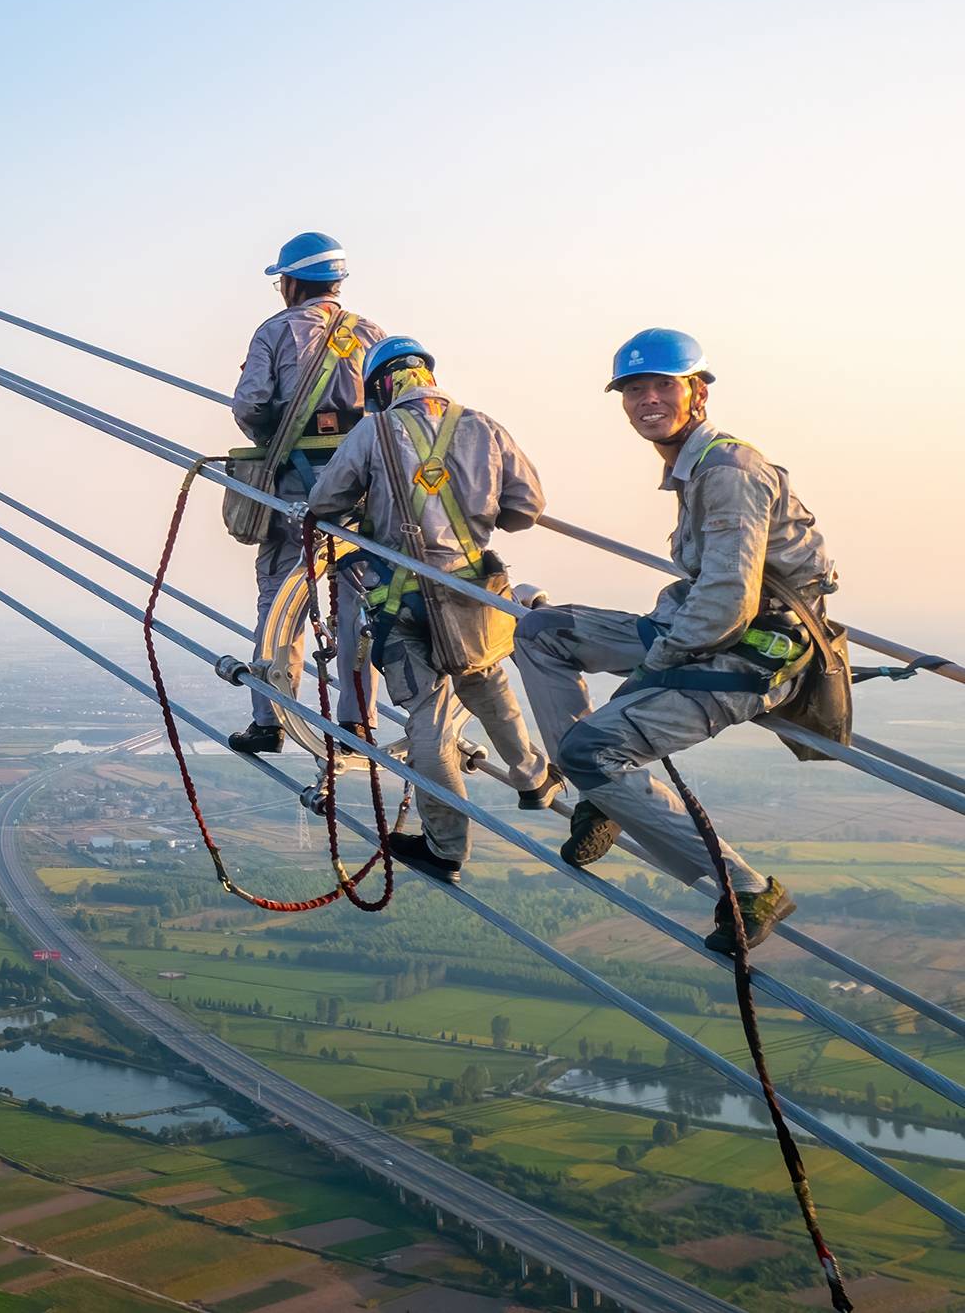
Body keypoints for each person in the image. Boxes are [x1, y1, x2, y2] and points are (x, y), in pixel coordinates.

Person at [514, 329, 835, 954]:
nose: (647, 400)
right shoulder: (692, 467)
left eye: (663, 385)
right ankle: (602, 797)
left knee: (593, 749)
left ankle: (745, 888)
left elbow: (727, 601)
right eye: (634, 389)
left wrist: (651, 670)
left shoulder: (728, 470)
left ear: (699, 392)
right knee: (541, 632)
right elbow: (709, 597)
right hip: (702, 631)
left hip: (755, 653)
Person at [304, 337, 559, 880]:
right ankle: (534, 778)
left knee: (429, 722)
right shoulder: (484, 427)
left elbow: (325, 502)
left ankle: (447, 848)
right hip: (471, 595)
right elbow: (526, 508)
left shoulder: (372, 431)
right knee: (485, 679)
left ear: (380, 386)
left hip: (403, 599)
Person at [226, 233, 386, 755]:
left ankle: (271, 720)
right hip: (365, 486)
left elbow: (250, 406)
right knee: (360, 599)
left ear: (291, 282)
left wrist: (281, 435)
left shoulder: (276, 331)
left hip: (296, 483)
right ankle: (359, 723)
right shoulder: (372, 334)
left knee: (281, 596)